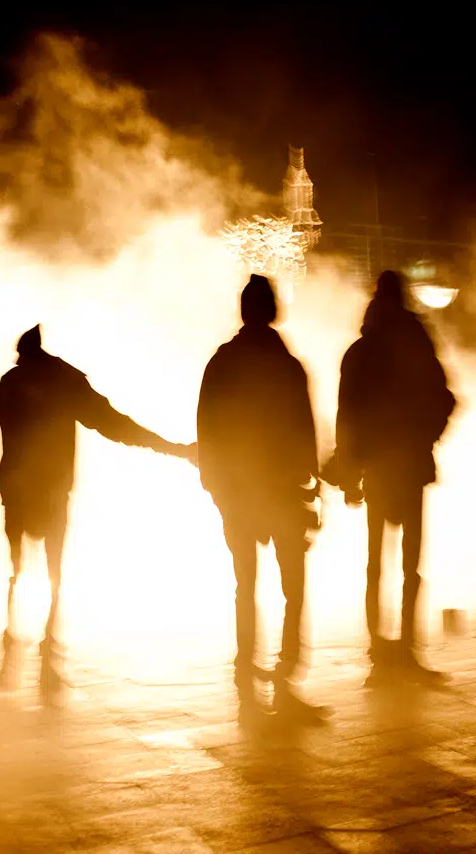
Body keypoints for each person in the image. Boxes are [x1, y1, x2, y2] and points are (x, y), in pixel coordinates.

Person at [0, 325, 195, 696]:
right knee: (55, 570)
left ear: (23, 355)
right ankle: (49, 648)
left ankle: (14, 636)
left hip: (18, 491)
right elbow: (116, 425)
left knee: (18, 566)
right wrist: (172, 448)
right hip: (53, 490)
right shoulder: (66, 382)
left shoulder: (13, 383)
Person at [197, 275, 327, 723]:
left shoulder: (223, 363)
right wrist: (313, 487)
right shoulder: (287, 365)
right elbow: (304, 432)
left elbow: (208, 429)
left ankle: (245, 678)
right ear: (272, 310)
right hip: (284, 493)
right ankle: (286, 675)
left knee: (246, 586)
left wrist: (216, 487)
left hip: (239, 494)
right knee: (294, 587)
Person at [324, 271, 456, 687]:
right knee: (410, 566)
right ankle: (407, 652)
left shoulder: (361, 352)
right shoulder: (417, 344)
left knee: (376, 564)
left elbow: (348, 417)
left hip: (377, 468)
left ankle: (380, 655)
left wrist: (349, 472)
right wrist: (427, 436)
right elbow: (444, 397)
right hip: (411, 466)